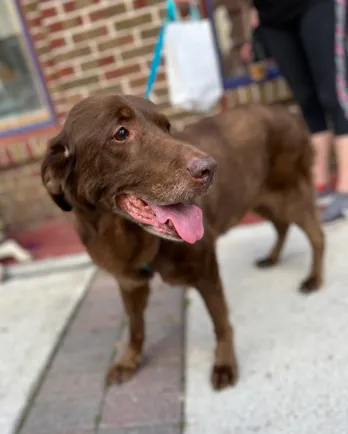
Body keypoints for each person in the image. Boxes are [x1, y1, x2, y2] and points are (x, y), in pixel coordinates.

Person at [242, 0, 348, 222]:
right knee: (306, 99)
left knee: (333, 94)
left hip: (317, 5)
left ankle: (346, 188)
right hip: (272, 15)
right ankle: (320, 182)